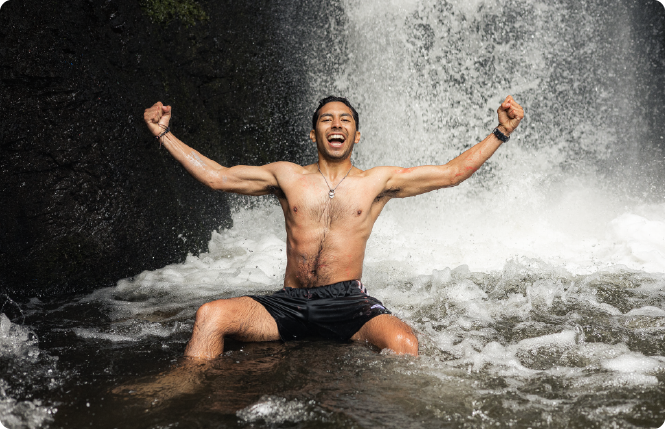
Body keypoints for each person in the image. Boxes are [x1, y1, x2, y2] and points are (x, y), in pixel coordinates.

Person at [143, 95, 524, 359]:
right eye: (326, 119)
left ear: (356, 135)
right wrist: (163, 133)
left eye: (345, 120)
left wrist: (500, 132)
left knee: (404, 342)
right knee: (211, 315)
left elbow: (450, 174)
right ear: (314, 135)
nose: (336, 124)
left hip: (347, 304)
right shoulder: (286, 176)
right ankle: (189, 396)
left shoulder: (377, 182)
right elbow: (219, 178)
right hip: (289, 303)